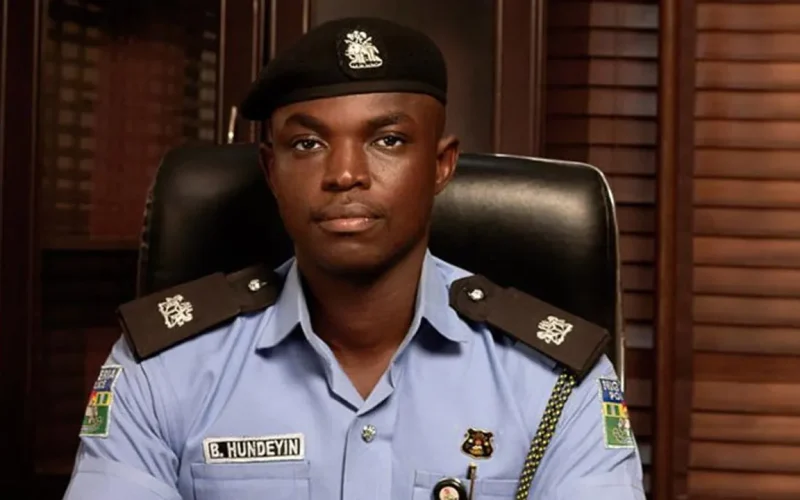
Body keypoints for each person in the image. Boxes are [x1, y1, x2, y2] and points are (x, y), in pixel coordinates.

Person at [63, 17, 646, 500]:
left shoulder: (554, 383)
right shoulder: (164, 369)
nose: (345, 174)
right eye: (307, 143)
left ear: (441, 165)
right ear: (271, 170)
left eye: (387, 140)